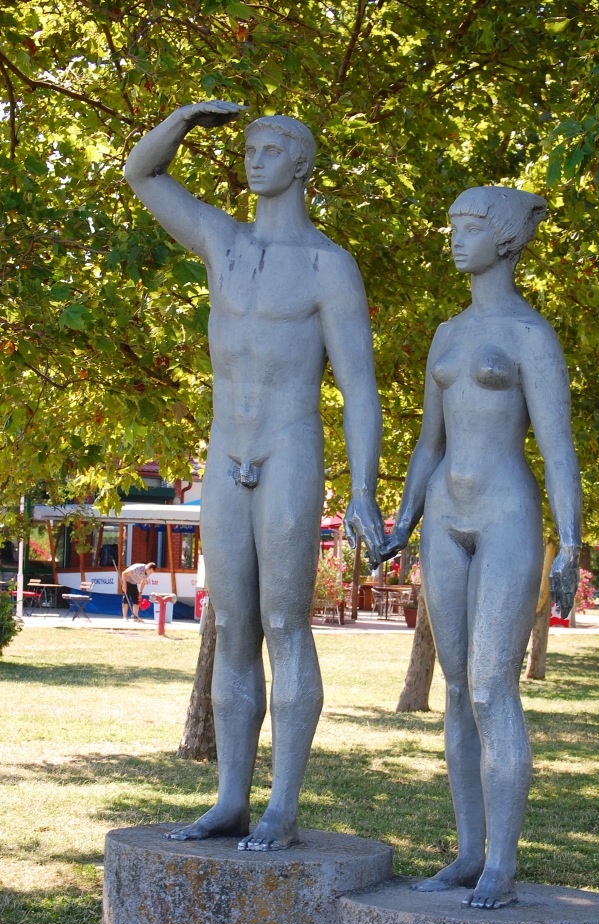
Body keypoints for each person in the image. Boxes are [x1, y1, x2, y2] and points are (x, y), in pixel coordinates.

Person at [124, 101, 385, 851]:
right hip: (225, 449)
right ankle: (230, 799)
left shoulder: (327, 266)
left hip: (288, 448)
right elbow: (142, 173)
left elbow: (358, 387)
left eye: (270, 149)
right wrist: (183, 119)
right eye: (248, 149)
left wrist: (363, 490)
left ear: (301, 165)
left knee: (284, 623)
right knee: (232, 623)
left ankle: (283, 806)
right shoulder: (223, 240)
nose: (254, 159)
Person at [382, 186, 582, 909]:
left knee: (492, 687)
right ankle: (468, 853)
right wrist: (402, 519)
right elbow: (427, 443)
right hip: (444, 514)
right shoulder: (446, 333)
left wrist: (571, 542)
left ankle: (501, 862)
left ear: (503, 239)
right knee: (456, 690)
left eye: (469, 227)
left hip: (505, 515)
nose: (455, 238)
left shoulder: (531, 336)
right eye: (452, 225)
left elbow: (557, 448)